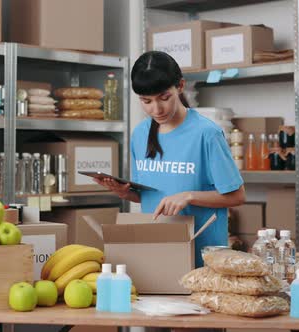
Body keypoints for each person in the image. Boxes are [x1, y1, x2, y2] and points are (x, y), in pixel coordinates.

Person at [94, 51, 246, 266]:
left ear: (180, 86)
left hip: (203, 259)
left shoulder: (206, 133)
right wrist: (125, 193)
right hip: (158, 251)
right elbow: (150, 198)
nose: (156, 109)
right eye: (146, 101)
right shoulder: (140, 134)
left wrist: (189, 196)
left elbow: (237, 196)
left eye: (164, 98)